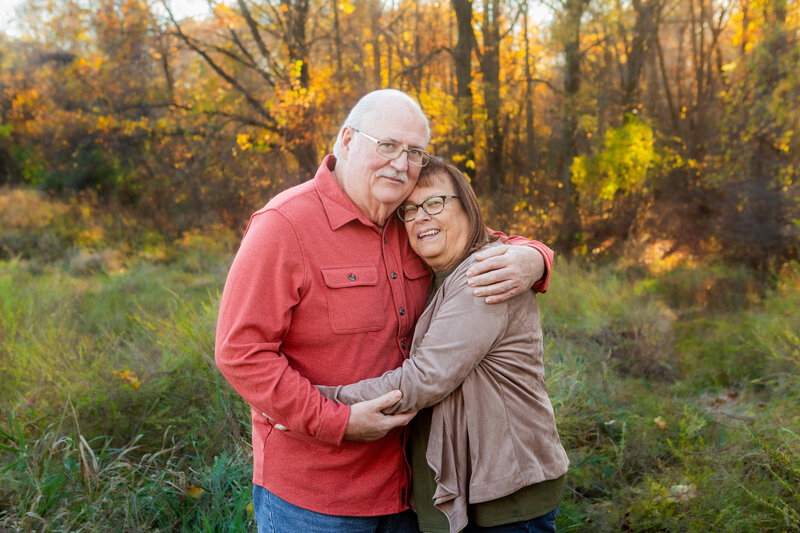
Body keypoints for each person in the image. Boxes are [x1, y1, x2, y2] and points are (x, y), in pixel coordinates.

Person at [215, 89, 554, 532]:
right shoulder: (284, 225)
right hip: (318, 501)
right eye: (388, 145)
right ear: (348, 140)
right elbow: (240, 352)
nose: (400, 163)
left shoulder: (406, 218)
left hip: (410, 491)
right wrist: (332, 419)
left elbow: (480, 242)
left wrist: (536, 258)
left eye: (414, 152)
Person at [318, 158, 569, 533]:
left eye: (435, 203)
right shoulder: (438, 275)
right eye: (409, 210)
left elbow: (425, 378)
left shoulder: (482, 276)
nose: (421, 217)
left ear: (467, 207)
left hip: (510, 495)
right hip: (482, 488)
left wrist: (318, 403)